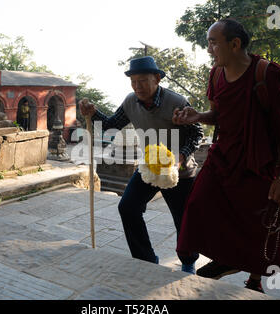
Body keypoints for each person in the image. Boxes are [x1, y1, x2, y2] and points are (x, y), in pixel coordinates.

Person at [172, 19, 280, 293]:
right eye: (208, 43)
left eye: (213, 42)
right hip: (224, 156)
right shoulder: (216, 74)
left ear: (235, 44)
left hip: (261, 160)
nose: (209, 49)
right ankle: (222, 260)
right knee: (199, 205)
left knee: (263, 221)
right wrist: (198, 117)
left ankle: (254, 280)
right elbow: (218, 114)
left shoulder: (269, 74)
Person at [79, 56, 203, 274]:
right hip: (148, 167)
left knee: (183, 220)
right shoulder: (130, 101)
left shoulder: (176, 102)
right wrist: (92, 113)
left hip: (179, 172)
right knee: (127, 207)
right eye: (133, 82)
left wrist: (179, 158)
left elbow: (197, 133)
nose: (138, 86)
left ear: (157, 78)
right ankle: (145, 259)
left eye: (143, 81)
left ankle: (188, 261)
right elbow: (111, 125)